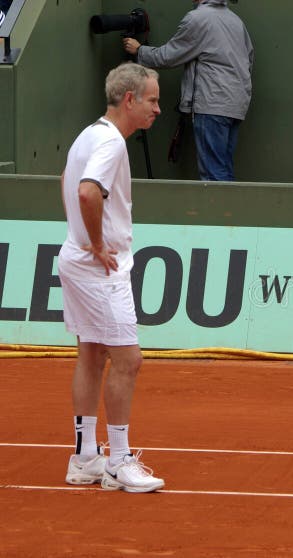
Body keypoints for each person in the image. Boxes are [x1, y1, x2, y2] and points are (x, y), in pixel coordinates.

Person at [59, 62, 165, 493]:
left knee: (91, 355)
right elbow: (86, 190)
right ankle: (119, 460)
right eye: (153, 100)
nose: (158, 109)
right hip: (99, 270)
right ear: (129, 99)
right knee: (128, 359)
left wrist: (79, 235)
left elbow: (66, 180)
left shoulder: (90, 134)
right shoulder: (113, 145)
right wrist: (98, 244)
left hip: (76, 262)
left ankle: (85, 458)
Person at [123, 0, 254, 182]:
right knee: (223, 168)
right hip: (235, 105)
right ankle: (229, 209)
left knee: (213, 175)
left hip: (211, 104)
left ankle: (218, 210)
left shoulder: (198, 18)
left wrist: (139, 50)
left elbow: (168, 56)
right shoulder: (236, 21)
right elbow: (249, 61)